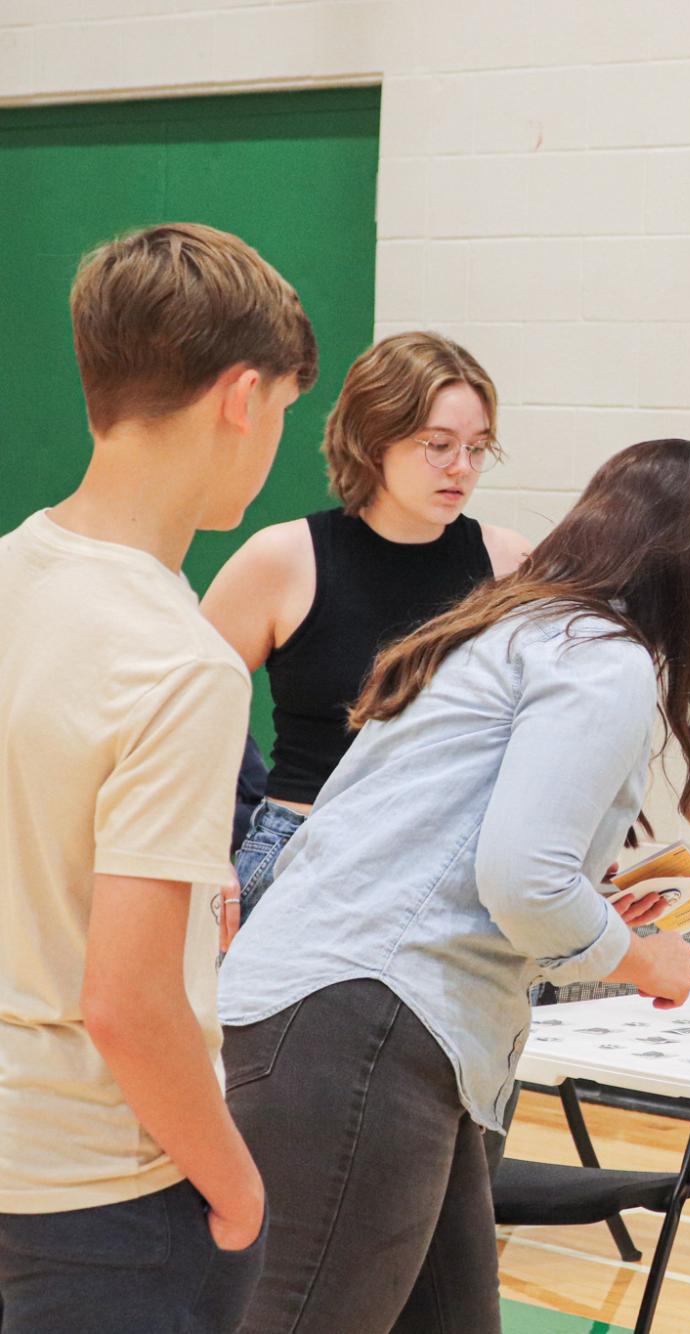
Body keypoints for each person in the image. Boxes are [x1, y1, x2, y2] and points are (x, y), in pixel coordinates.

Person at [218, 439, 690, 1334]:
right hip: (372, 1016)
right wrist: (641, 959)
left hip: (351, 1010)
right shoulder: (602, 655)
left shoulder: (515, 626)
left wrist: (587, 904)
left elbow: (471, 850)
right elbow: (524, 882)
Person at [0, 223, 315, 1331]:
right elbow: (128, 1000)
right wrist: (236, 1186)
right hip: (106, 1194)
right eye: (283, 410)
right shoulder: (176, 657)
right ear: (240, 396)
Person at [202, 331, 532, 933]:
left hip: (454, 867)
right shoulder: (283, 558)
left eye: (478, 448)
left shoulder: (509, 565)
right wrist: (198, 851)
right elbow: (183, 713)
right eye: (438, 445)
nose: (461, 467)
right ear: (373, 440)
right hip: (308, 852)